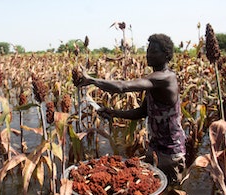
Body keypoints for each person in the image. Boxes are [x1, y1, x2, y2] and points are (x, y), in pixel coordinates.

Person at [73, 33, 186, 186]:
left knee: (168, 194)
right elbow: (142, 112)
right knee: (150, 188)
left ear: (166, 55)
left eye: (153, 51)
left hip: (170, 152)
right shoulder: (155, 80)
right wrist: (114, 113)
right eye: (148, 50)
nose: (148, 54)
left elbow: (122, 87)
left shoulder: (165, 78)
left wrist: (92, 80)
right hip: (154, 147)